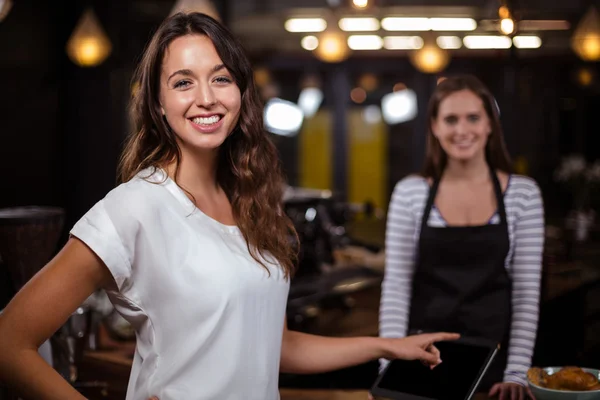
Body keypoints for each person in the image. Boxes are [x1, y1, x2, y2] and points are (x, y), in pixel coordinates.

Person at [0, 12, 459, 400]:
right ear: (158, 103)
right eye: (183, 82)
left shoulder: (255, 203)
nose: (206, 97)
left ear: (240, 91)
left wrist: (387, 346)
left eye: (220, 78)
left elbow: (275, 347)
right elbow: (9, 342)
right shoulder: (135, 207)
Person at [379, 75, 544, 399]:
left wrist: (517, 373)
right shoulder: (409, 193)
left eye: (473, 118)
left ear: (490, 125)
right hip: (422, 356)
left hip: (496, 364)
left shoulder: (523, 194)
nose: (462, 130)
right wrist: (389, 368)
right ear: (435, 127)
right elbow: (397, 286)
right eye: (451, 119)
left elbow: (526, 291)